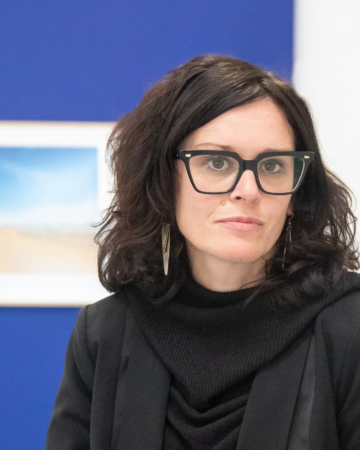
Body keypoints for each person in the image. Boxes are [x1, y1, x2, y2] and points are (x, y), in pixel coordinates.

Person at [45, 55, 360, 450]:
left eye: (274, 166)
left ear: (296, 194)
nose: (248, 189)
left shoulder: (349, 326)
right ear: (163, 180)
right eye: (216, 161)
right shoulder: (105, 332)